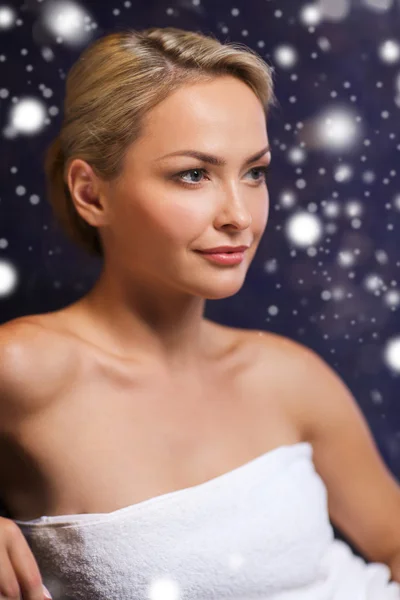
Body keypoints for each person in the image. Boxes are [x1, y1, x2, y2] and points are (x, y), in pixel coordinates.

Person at [0, 25, 399, 600]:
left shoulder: (288, 375)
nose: (239, 214)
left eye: (254, 172)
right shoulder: (27, 371)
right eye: (194, 174)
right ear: (91, 193)